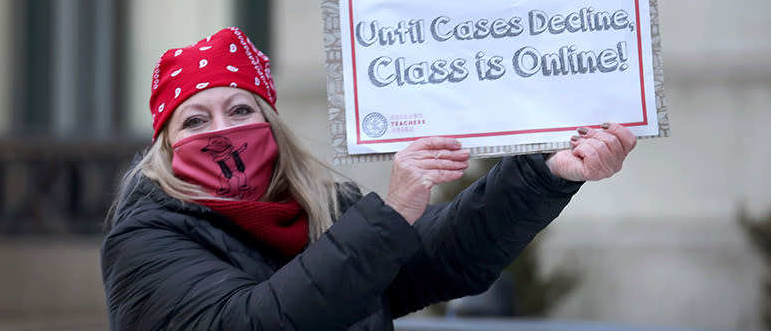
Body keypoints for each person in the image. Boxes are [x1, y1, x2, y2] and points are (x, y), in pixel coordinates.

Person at [101, 27, 636, 330]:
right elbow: (250, 323)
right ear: (165, 145)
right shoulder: (147, 236)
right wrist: (390, 214)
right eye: (195, 120)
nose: (222, 130)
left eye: (240, 110)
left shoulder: (324, 209)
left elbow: (437, 259)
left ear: (270, 124)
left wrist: (545, 173)